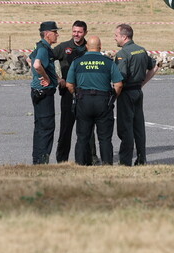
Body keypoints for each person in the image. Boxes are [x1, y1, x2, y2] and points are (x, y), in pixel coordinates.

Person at [64, 34, 123, 166]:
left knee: (82, 137)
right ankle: (107, 164)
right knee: (105, 138)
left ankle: (80, 164)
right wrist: (112, 98)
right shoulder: (108, 62)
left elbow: (69, 84)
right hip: (103, 101)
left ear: (86, 47)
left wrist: (76, 95)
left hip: (83, 101)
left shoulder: (77, 62)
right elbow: (118, 84)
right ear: (100, 47)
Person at [113, 23, 157, 166]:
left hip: (126, 93)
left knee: (125, 128)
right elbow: (154, 67)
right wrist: (141, 84)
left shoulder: (122, 54)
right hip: (138, 91)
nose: (115, 38)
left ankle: (125, 161)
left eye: (116, 36)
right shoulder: (141, 50)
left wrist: (114, 95)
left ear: (124, 37)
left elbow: (121, 77)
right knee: (139, 127)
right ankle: (141, 158)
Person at [52, 20, 96, 164]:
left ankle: (91, 158)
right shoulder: (64, 47)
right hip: (67, 94)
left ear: (85, 33)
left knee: (88, 129)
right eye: (74, 31)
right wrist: (58, 79)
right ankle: (62, 159)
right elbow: (45, 60)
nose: (76, 34)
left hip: (86, 94)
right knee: (66, 128)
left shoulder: (90, 48)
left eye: (79, 32)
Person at [30, 21, 61, 164]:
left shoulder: (39, 46)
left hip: (37, 91)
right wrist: (46, 78)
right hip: (44, 92)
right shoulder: (43, 48)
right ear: (48, 34)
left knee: (40, 127)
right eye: (55, 32)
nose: (57, 35)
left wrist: (55, 78)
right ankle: (42, 160)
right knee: (47, 127)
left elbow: (28, 58)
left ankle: (37, 158)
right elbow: (37, 64)